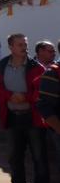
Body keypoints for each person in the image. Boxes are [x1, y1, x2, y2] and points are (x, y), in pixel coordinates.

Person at [0, 34, 49, 183]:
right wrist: (8, 96)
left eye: (26, 44)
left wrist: (27, 98)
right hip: (12, 117)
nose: (24, 47)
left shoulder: (36, 67)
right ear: (11, 47)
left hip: (33, 119)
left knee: (39, 158)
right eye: (20, 44)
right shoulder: (1, 67)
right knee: (14, 157)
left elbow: (41, 89)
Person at [36, 40, 60, 174]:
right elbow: (44, 105)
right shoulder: (52, 72)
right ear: (40, 52)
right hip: (39, 119)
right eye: (50, 51)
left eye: (54, 51)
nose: (53, 53)